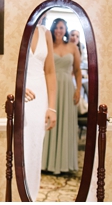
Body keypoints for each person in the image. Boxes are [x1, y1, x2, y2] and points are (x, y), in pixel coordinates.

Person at [41, 18, 82, 175]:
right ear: (52, 29)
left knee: (65, 122)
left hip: (67, 88)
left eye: (62, 27)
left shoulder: (73, 47)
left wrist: (78, 89)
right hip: (50, 87)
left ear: (65, 30)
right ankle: (45, 162)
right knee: (49, 121)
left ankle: (64, 164)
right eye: (56, 27)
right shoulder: (48, 45)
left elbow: (78, 71)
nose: (59, 30)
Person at [23, 24, 58, 200]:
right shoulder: (16, 26)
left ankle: (32, 198)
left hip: (40, 99)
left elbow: (50, 72)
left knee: (35, 150)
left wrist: (51, 107)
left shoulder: (46, 33)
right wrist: (19, 88)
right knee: (21, 150)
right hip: (21, 97)